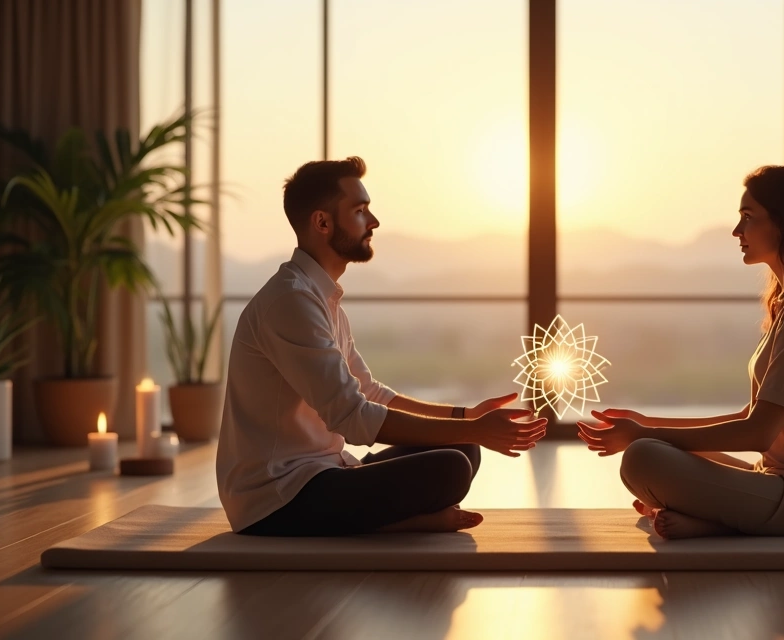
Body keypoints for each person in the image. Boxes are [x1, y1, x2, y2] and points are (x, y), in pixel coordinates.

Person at [217, 156, 547, 536]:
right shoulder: (290, 302)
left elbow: (371, 393)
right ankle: (403, 525)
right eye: (360, 211)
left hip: (327, 473)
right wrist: (475, 429)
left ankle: (392, 518)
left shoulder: (322, 298)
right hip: (277, 498)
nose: (373, 222)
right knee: (451, 467)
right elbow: (353, 417)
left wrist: (466, 420)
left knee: (463, 449)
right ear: (322, 222)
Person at [576, 163, 784, 540]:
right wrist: (648, 424)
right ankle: (711, 516)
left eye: (748, 217)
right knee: (651, 446)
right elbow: (753, 416)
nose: (737, 231)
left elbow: (757, 434)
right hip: (779, 483)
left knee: (643, 458)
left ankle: (713, 521)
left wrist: (645, 434)